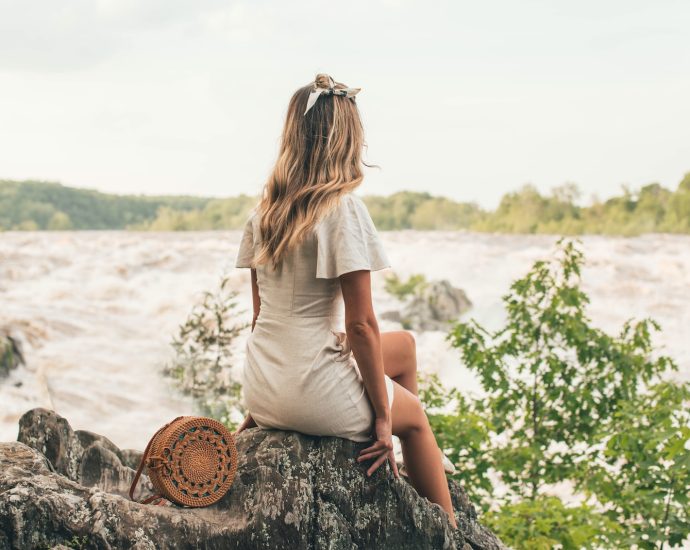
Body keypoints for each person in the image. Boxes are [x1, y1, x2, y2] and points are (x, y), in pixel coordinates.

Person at [233, 73, 457, 529]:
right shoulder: (342, 208)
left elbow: (261, 318)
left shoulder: (265, 212)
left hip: (265, 388)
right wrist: (382, 419)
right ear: (345, 140)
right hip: (314, 394)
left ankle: (414, 461)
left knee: (406, 347)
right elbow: (361, 327)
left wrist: (256, 411)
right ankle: (447, 529)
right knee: (413, 419)